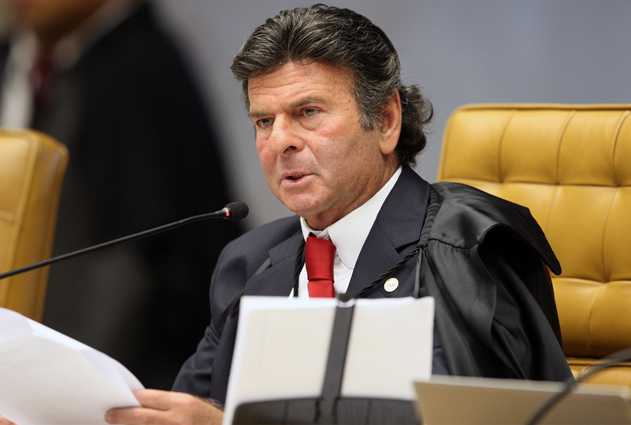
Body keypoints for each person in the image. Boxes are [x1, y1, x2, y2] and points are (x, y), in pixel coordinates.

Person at [4, 4, 574, 425]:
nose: (280, 141)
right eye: (263, 121)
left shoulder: (467, 249)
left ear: (387, 121)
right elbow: (188, 410)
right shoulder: (250, 262)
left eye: (307, 112)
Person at [0, 0, 241, 390]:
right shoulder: (21, 60)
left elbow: (135, 270)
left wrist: (66, 391)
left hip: (103, 383)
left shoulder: (137, 70)